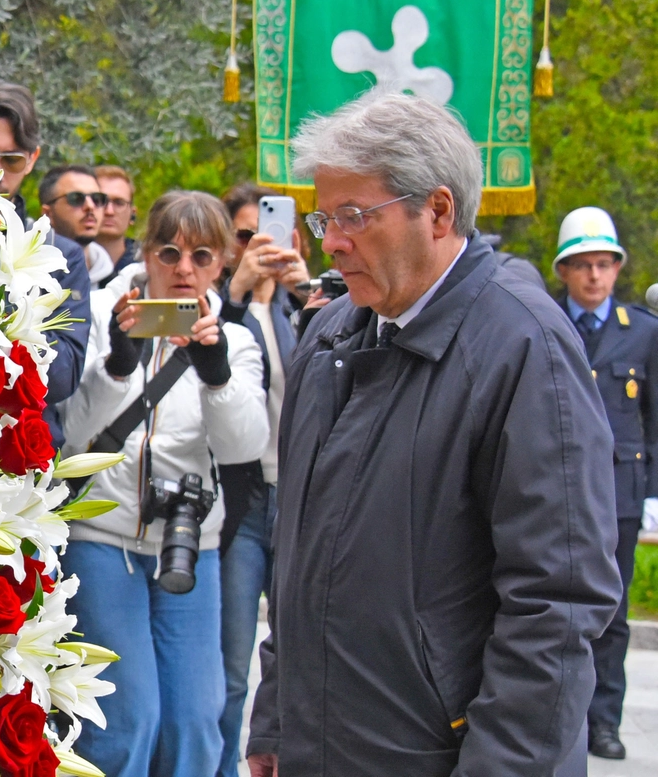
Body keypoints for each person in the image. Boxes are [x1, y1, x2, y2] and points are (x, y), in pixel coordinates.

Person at [245, 92, 622, 777]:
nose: (329, 240)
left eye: (354, 216)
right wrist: (276, 717)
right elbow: (298, 553)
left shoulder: (523, 346)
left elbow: (556, 603)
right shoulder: (330, 336)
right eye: (324, 216)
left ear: (439, 211)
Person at [60, 190, 270, 777]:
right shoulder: (101, 313)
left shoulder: (237, 337)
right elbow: (74, 436)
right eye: (170, 252)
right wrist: (117, 368)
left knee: (196, 723)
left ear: (223, 263)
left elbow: (244, 447)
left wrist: (216, 374)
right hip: (102, 534)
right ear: (146, 251)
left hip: (188, 543)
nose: (183, 270)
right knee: (127, 721)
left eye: (202, 257)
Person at [552, 206, 658, 761]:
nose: (594, 276)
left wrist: (655, 493)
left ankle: (604, 723)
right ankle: (557, 718)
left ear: (618, 268)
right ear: (564, 270)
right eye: (583, 265)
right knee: (551, 611)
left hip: (619, 493)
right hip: (554, 492)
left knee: (611, 617)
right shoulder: (542, 321)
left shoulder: (643, 332)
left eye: (604, 264)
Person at [214, 182, 310, 776]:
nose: (260, 244)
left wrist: (301, 290)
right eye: (247, 235)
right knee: (229, 665)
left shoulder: (315, 307)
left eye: (271, 232)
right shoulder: (224, 308)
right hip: (242, 504)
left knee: (301, 658)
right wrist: (236, 290)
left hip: (303, 501)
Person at [0, 77, 90, 447]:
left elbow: (62, 378)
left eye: (11, 159)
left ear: (32, 161)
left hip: (18, 451)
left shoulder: (63, 254)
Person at [39, 164, 114, 286]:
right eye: (76, 198)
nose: (90, 206)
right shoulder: (32, 278)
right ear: (48, 214)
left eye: (97, 198)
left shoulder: (115, 282)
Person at [95, 164, 138, 286]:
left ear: (132, 214)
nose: (109, 211)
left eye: (119, 203)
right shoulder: (67, 263)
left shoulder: (147, 266)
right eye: (101, 201)